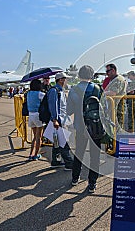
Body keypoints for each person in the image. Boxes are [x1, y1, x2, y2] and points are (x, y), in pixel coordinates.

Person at [66, 65, 102, 193]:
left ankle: (75, 178)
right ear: (91, 75)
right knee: (95, 155)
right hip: (95, 127)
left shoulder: (73, 90)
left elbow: (69, 110)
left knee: (79, 153)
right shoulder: (98, 88)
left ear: (79, 75)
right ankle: (92, 183)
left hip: (80, 127)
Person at [48, 72, 73, 170]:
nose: (67, 81)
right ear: (61, 80)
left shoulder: (60, 90)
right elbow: (53, 105)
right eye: (66, 79)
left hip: (62, 120)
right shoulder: (54, 91)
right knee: (64, 143)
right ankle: (69, 163)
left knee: (57, 142)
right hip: (59, 120)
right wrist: (54, 120)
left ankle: (55, 161)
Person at [26, 79, 45, 161]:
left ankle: (31, 154)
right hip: (38, 115)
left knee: (34, 136)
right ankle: (36, 155)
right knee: (39, 137)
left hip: (31, 115)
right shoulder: (40, 94)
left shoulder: (28, 93)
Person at [103, 63, 127, 128]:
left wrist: (102, 93)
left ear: (113, 70)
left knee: (117, 129)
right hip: (112, 107)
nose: (107, 73)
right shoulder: (113, 80)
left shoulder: (119, 79)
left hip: (117, 108)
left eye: (108, 71)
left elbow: (113, 93)